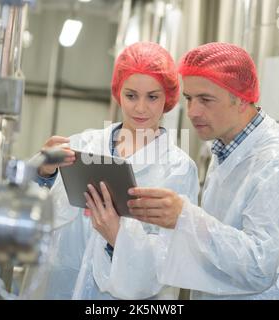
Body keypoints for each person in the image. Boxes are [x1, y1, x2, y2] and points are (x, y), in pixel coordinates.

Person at [90, 42, 279, 299]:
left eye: (205, 100)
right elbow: (210, 252)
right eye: (189, 99)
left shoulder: (278, 163)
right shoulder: (225, 152)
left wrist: (186, 218)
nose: (192, 112)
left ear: (240, 99)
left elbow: (259, 267)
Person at [31, 42, 199, 299]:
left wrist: (118, 238)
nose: (140, 108)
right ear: (118, 92)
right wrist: (43, 173)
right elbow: (30, 219)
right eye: (131, 95)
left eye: (152, 97)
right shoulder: (80, 146)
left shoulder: (179, 169)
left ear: (168, 99)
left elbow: (171, 258)